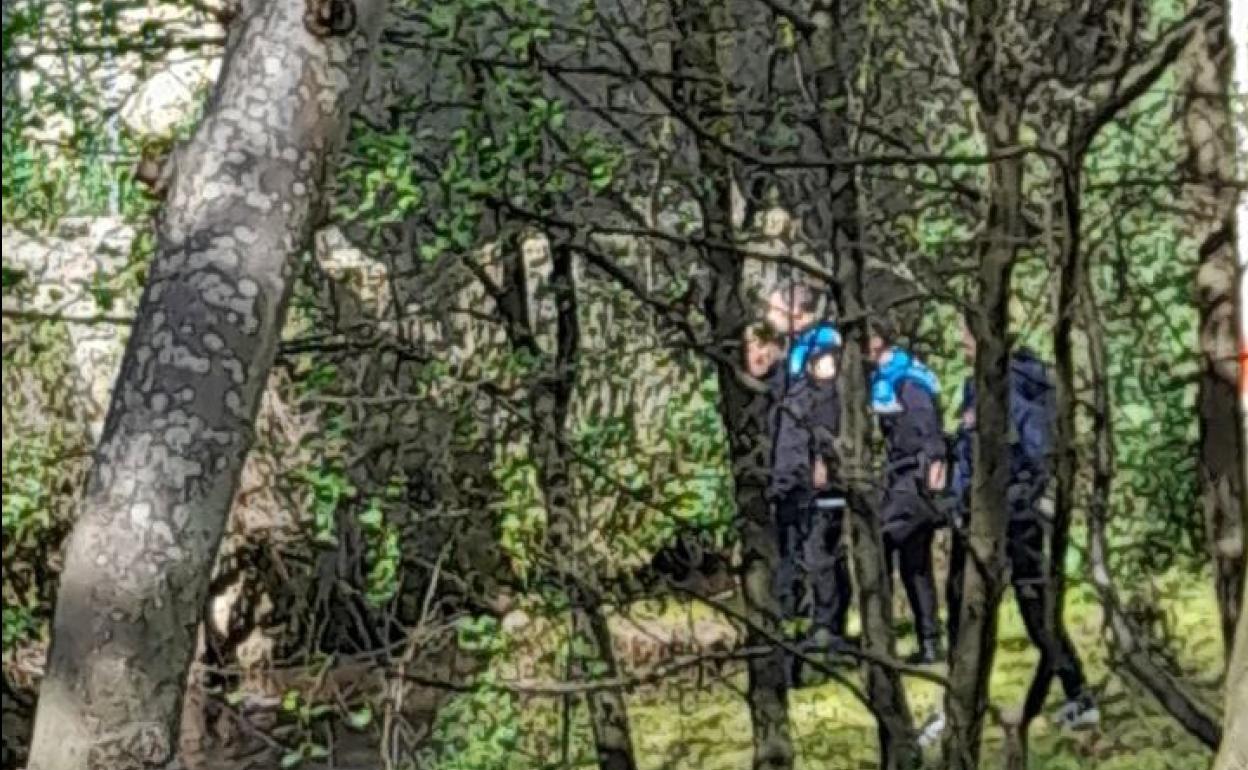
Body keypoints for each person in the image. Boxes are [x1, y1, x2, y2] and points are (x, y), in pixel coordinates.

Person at [945, 319, 1100, 729]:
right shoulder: (971, 387)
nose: (960, 345)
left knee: (1034, 606)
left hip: (1015, 517)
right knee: (963, 607)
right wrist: (955, 499)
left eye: (964, 336)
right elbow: (966, 453)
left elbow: (1036, 453)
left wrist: (1016, 499)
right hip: (974, 517)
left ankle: (1077, 693)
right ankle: (960, 704)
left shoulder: (1016, 384)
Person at [757, 282, 853, 655]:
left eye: (774, 310)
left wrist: (824, 460)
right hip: (789, 471)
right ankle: (795, 621)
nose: (768, 318)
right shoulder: (793, 353)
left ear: (798, 314)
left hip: (814, 472)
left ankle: (828, 628)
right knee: (794, 551)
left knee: (820, 552)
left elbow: (828, 409)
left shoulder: (824, 349)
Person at [867, 319, 947, 665]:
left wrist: (932, 468)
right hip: (900, 477)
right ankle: (929, 641)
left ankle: (884, 638)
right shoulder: (888, 378)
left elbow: (926, 429)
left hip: (911, 480)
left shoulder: (905, 380)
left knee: (882, 546)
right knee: (915, 564)